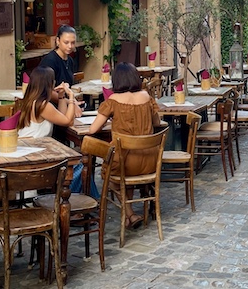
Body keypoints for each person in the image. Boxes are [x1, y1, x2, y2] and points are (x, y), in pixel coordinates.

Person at [89, 63, 162, 229]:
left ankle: (129, 213)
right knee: (123, 173)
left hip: (125, 162)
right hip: (149, 161)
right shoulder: (147, 97)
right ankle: (129, 217)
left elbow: (93, 129)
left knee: (110, 179)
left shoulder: (113, 101)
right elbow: (157, 122)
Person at [17, 66, 81, 138]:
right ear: (50, 84)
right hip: (33, 145)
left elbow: (62, 118)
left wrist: (61, 96)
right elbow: (69, 122)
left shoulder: (31, 100)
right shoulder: (43, 105)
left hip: (28, 143)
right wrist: (71, 96)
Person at [39, 25, 78, 101]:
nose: (70, 46)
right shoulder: (50, 61)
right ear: (58, 41)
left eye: (73, 43)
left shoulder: (70, 60)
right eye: (66, 42)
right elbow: (46, 91)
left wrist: (74, 102)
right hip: (50, 105)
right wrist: (70, 102)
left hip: (63, 102)